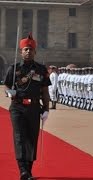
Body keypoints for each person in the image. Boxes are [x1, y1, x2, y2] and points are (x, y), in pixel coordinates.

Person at [3, 34, 51, 180]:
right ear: (21, 52)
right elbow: (6, 84)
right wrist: (9, 92)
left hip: (34, 108)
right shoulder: (14, 68)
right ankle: (22, 170)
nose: (28, 51)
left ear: (35, 52)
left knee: (32, 138)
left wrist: (47, 109)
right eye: (25, 49)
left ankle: (29, 170)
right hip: (18, 107)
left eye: (31, 49)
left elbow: (45, 91)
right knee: (19, 137)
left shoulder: (41, 69)